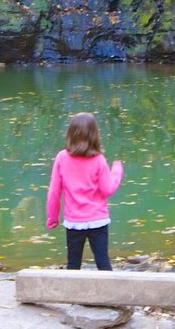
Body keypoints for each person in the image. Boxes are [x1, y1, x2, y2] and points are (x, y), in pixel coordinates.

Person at [46, 112, 124, 270]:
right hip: (98, 220)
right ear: (94, 135)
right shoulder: (98, 159)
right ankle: (109, 292)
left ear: (70, 134)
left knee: (73, 264)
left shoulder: (62, 157)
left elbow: (54, 191)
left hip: (74, 222)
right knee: (103, 262)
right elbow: (108, 189)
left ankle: (71, 293)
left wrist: (52, 217)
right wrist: (116, 171)